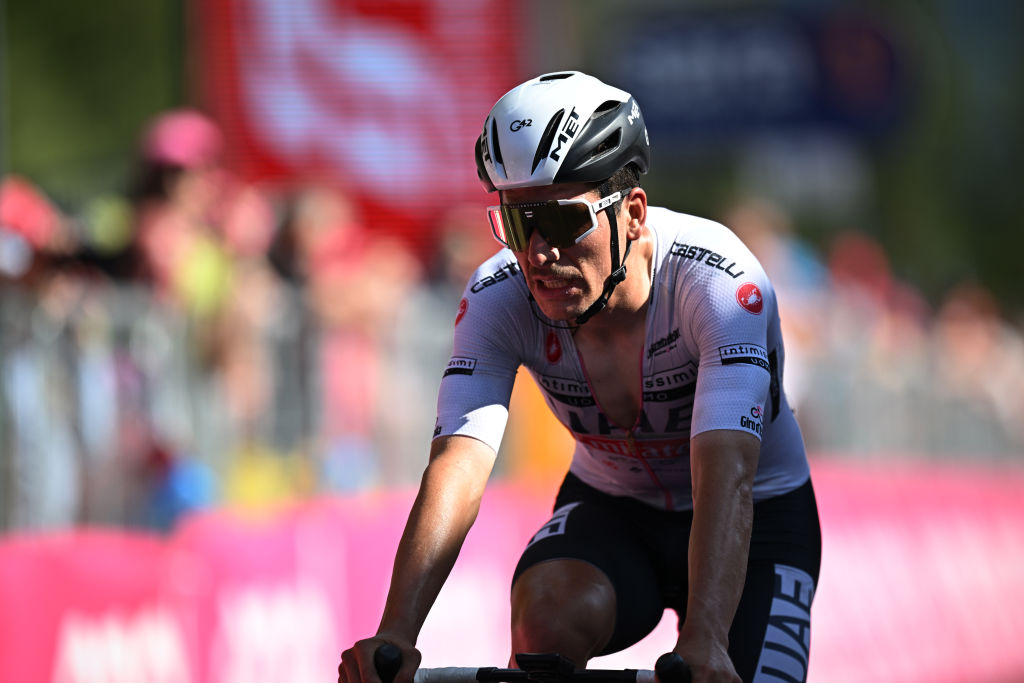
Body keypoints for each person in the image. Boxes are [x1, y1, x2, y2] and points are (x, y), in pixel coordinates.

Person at [338, 72, 821, 683]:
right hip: (614, 510)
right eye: (518, 225)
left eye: (564, 222)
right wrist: (394, 637)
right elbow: (457, 465)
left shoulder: (721, 284)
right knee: (548, 618)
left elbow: (727, 470)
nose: (539, 255)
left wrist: (706, 638)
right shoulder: (498, 296)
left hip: (756, 515)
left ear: (634, 213)